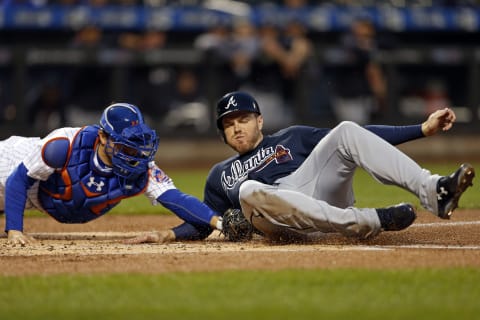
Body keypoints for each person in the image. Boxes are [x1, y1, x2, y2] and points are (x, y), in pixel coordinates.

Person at [126, 91, 475, 244]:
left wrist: (422, 129)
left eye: (243, 118)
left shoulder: (293, 136)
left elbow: (364, 137)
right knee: (248, 190)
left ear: (260, 120)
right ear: (222, 134)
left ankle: (434, 191)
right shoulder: (220, 175)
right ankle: (368, 221)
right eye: (228, 124)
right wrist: (169, 234)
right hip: (278, 220)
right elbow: (207, 221)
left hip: (318, 195)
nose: (237, 127)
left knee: (347, 130)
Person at [1, 102, 221, 245]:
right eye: (124, 145)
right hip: (8, 163)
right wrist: (14, 230)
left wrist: (220, 223)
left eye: (135, 144)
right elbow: (17, 180)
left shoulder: (140, 166)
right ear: (103, 137)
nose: (133, 152)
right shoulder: (63, 145)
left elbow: (175, 198)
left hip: (30, 196)